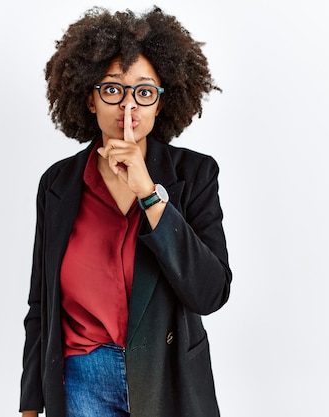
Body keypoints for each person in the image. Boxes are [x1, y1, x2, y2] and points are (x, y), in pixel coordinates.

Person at [19, 6, 232, 417]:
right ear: (89, 97)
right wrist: (31, 403)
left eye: (145, 92)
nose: (128, 107)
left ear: (160, 103)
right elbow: (40, 304)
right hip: (79, 380)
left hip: (166, 377)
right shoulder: (58, 184)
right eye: (114, 90)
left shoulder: (196, 174)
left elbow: (210, 293)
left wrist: (150, 195)